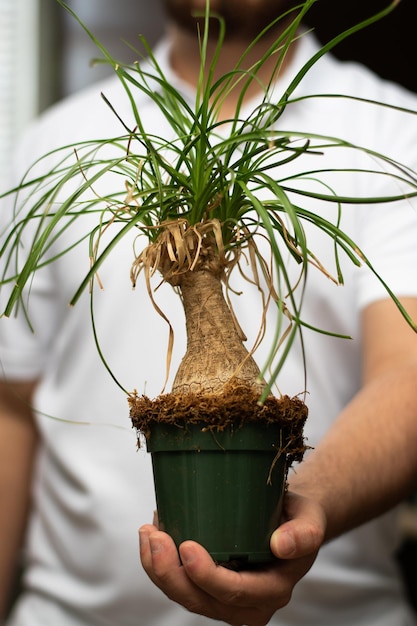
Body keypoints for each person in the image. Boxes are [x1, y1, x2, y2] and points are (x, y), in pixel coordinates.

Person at [1, 1, 417, 625]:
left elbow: (408, 372)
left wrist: (306, 504)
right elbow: (11, 405)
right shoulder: (56, 143)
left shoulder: (391, 133)